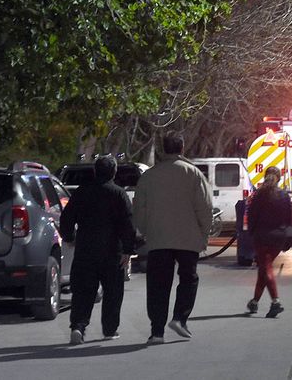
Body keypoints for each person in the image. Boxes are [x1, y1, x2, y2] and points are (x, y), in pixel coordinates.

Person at [133, 132, 213, 345]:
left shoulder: (149, 176)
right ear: (182, 148)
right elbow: (205, 208)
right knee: (188, 278)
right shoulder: (194, 174)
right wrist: (204, 232)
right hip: (188, 239)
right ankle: (180, 317)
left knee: (158, 285)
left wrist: (146, 230)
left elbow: (139, 210)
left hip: (159, 239)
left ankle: (156, 331)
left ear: (163, 149)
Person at [60, 155, 136, 345]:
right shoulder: (118, 194)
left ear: (95, 171)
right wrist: (128, 249)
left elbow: (67, 217)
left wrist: (69, 237)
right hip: (112, 251)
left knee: (83, 291)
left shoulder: (82, 192)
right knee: (113, 291)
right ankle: (110, 329)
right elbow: (128, 223)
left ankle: (78, 326)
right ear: (114, 172)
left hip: (86, 249)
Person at [246, 166, 292, 318]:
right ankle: (254, 301)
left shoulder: (259, 195)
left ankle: (275, 302)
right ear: (278, 178)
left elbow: (251, 215)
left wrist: (251, 232)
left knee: (266, 268)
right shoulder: (284, 195)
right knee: (264, 268)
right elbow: (289, 218)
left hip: (262, 236)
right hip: (278, 236)